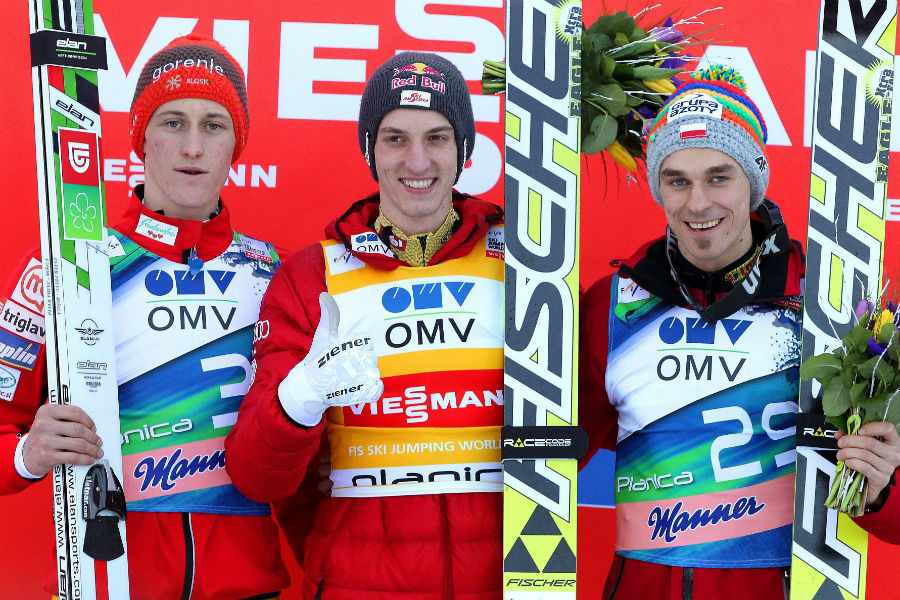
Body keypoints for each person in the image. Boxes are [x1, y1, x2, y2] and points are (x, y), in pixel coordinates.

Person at [579, 66, 900, 600]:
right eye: (677, 180)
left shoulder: (829, 305)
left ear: (753, 181)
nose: (697, 203)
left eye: (719, 177)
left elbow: (888, 498)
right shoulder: (612, 305)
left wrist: (882, 488)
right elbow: (553, 452)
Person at [0, 34, 289, 599]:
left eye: (213, 125)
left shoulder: (275, 274)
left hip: (247, 587)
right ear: (140, 137)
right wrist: (25, 454)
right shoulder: (67, 268)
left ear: (236, 145)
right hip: (109, 581)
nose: (192, 147)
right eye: (172, 122)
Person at [225, 52, 505, 599]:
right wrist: (299, 399)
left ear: (464, 149)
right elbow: (257, 477)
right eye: (395, 138)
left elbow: (578, 427)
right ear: (370, 150)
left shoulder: (525, 263)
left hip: (503, 579)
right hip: (359, 581)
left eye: (438, 137)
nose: (417, 160)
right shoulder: (313, 276)